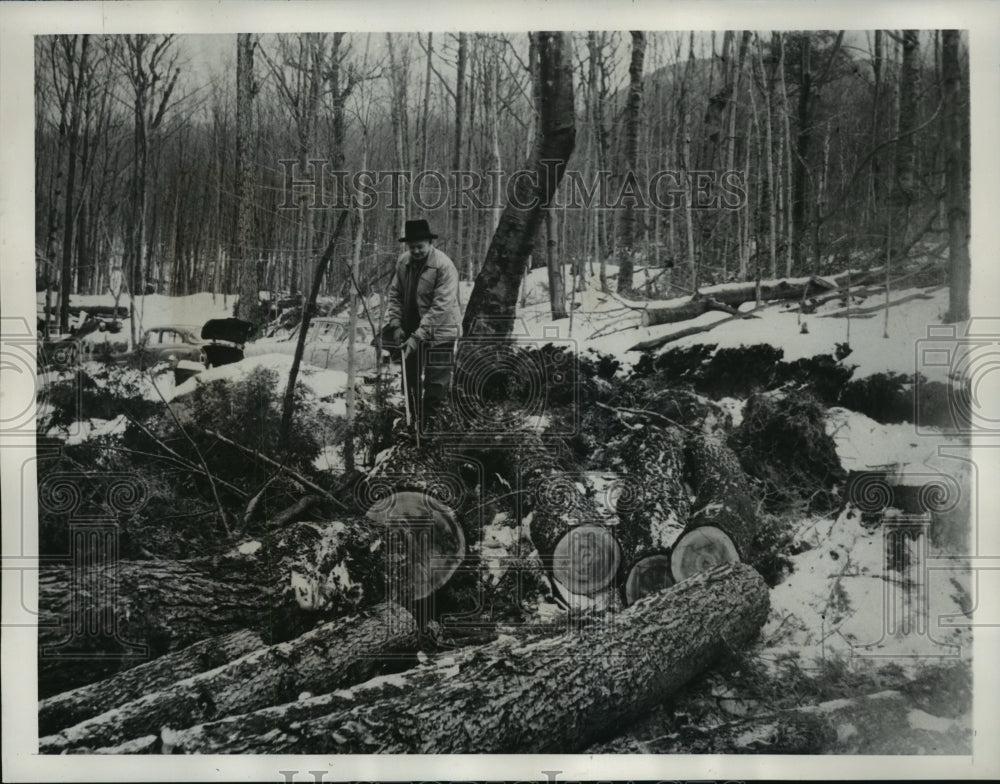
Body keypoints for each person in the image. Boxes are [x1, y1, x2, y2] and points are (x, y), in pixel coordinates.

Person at [384, 219, 462, 431]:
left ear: (430, 243)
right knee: (410, 380)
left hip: (440, 332)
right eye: (412, 247)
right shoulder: (403, 262)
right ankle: (412, 423)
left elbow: (441, 307)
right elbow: (395, 295)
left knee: (436, 382)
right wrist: (396, 325)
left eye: (420, 246)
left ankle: (430, 428)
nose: (416, 251)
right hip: (410, 330)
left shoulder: (444, 266)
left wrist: (417, 336)